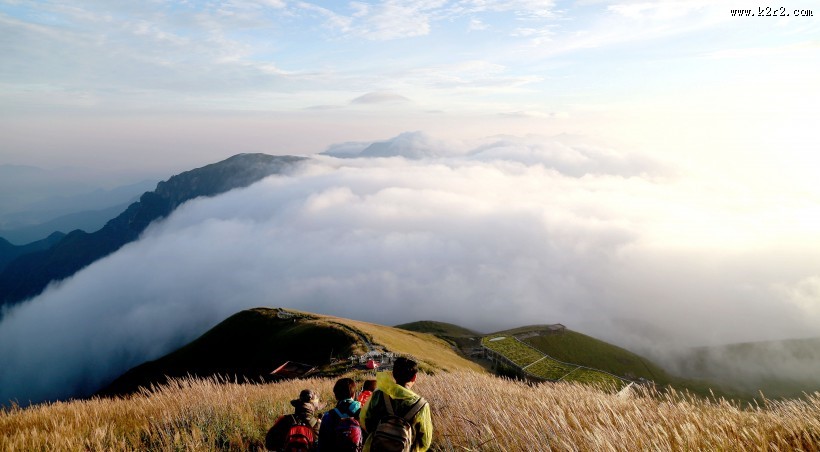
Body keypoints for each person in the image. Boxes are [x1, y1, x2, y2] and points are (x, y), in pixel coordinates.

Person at [360, 357, 433, 452]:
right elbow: (425, 441)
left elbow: (364, 419)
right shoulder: (421, 405)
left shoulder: (379, 394)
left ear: (393, 374)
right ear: (414, 377)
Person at [318, 377, 363, 451]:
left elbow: (322, 445)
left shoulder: (328, 416)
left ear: (336, 396)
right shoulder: (362, 413)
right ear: (353, 394)